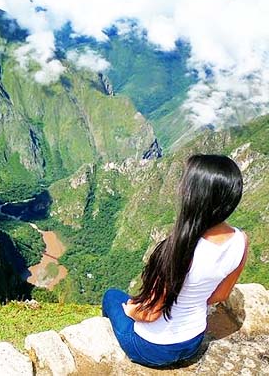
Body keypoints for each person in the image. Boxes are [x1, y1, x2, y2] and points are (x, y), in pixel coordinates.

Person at [102, 154, 249, 368]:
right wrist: (188, 300)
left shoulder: (178, 250)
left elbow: (150, 314)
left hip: (151, 348)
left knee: (112, 296)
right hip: (193, 342)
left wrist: (130, 310)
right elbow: (220, 295)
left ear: (194, 196)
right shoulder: (241, 241)